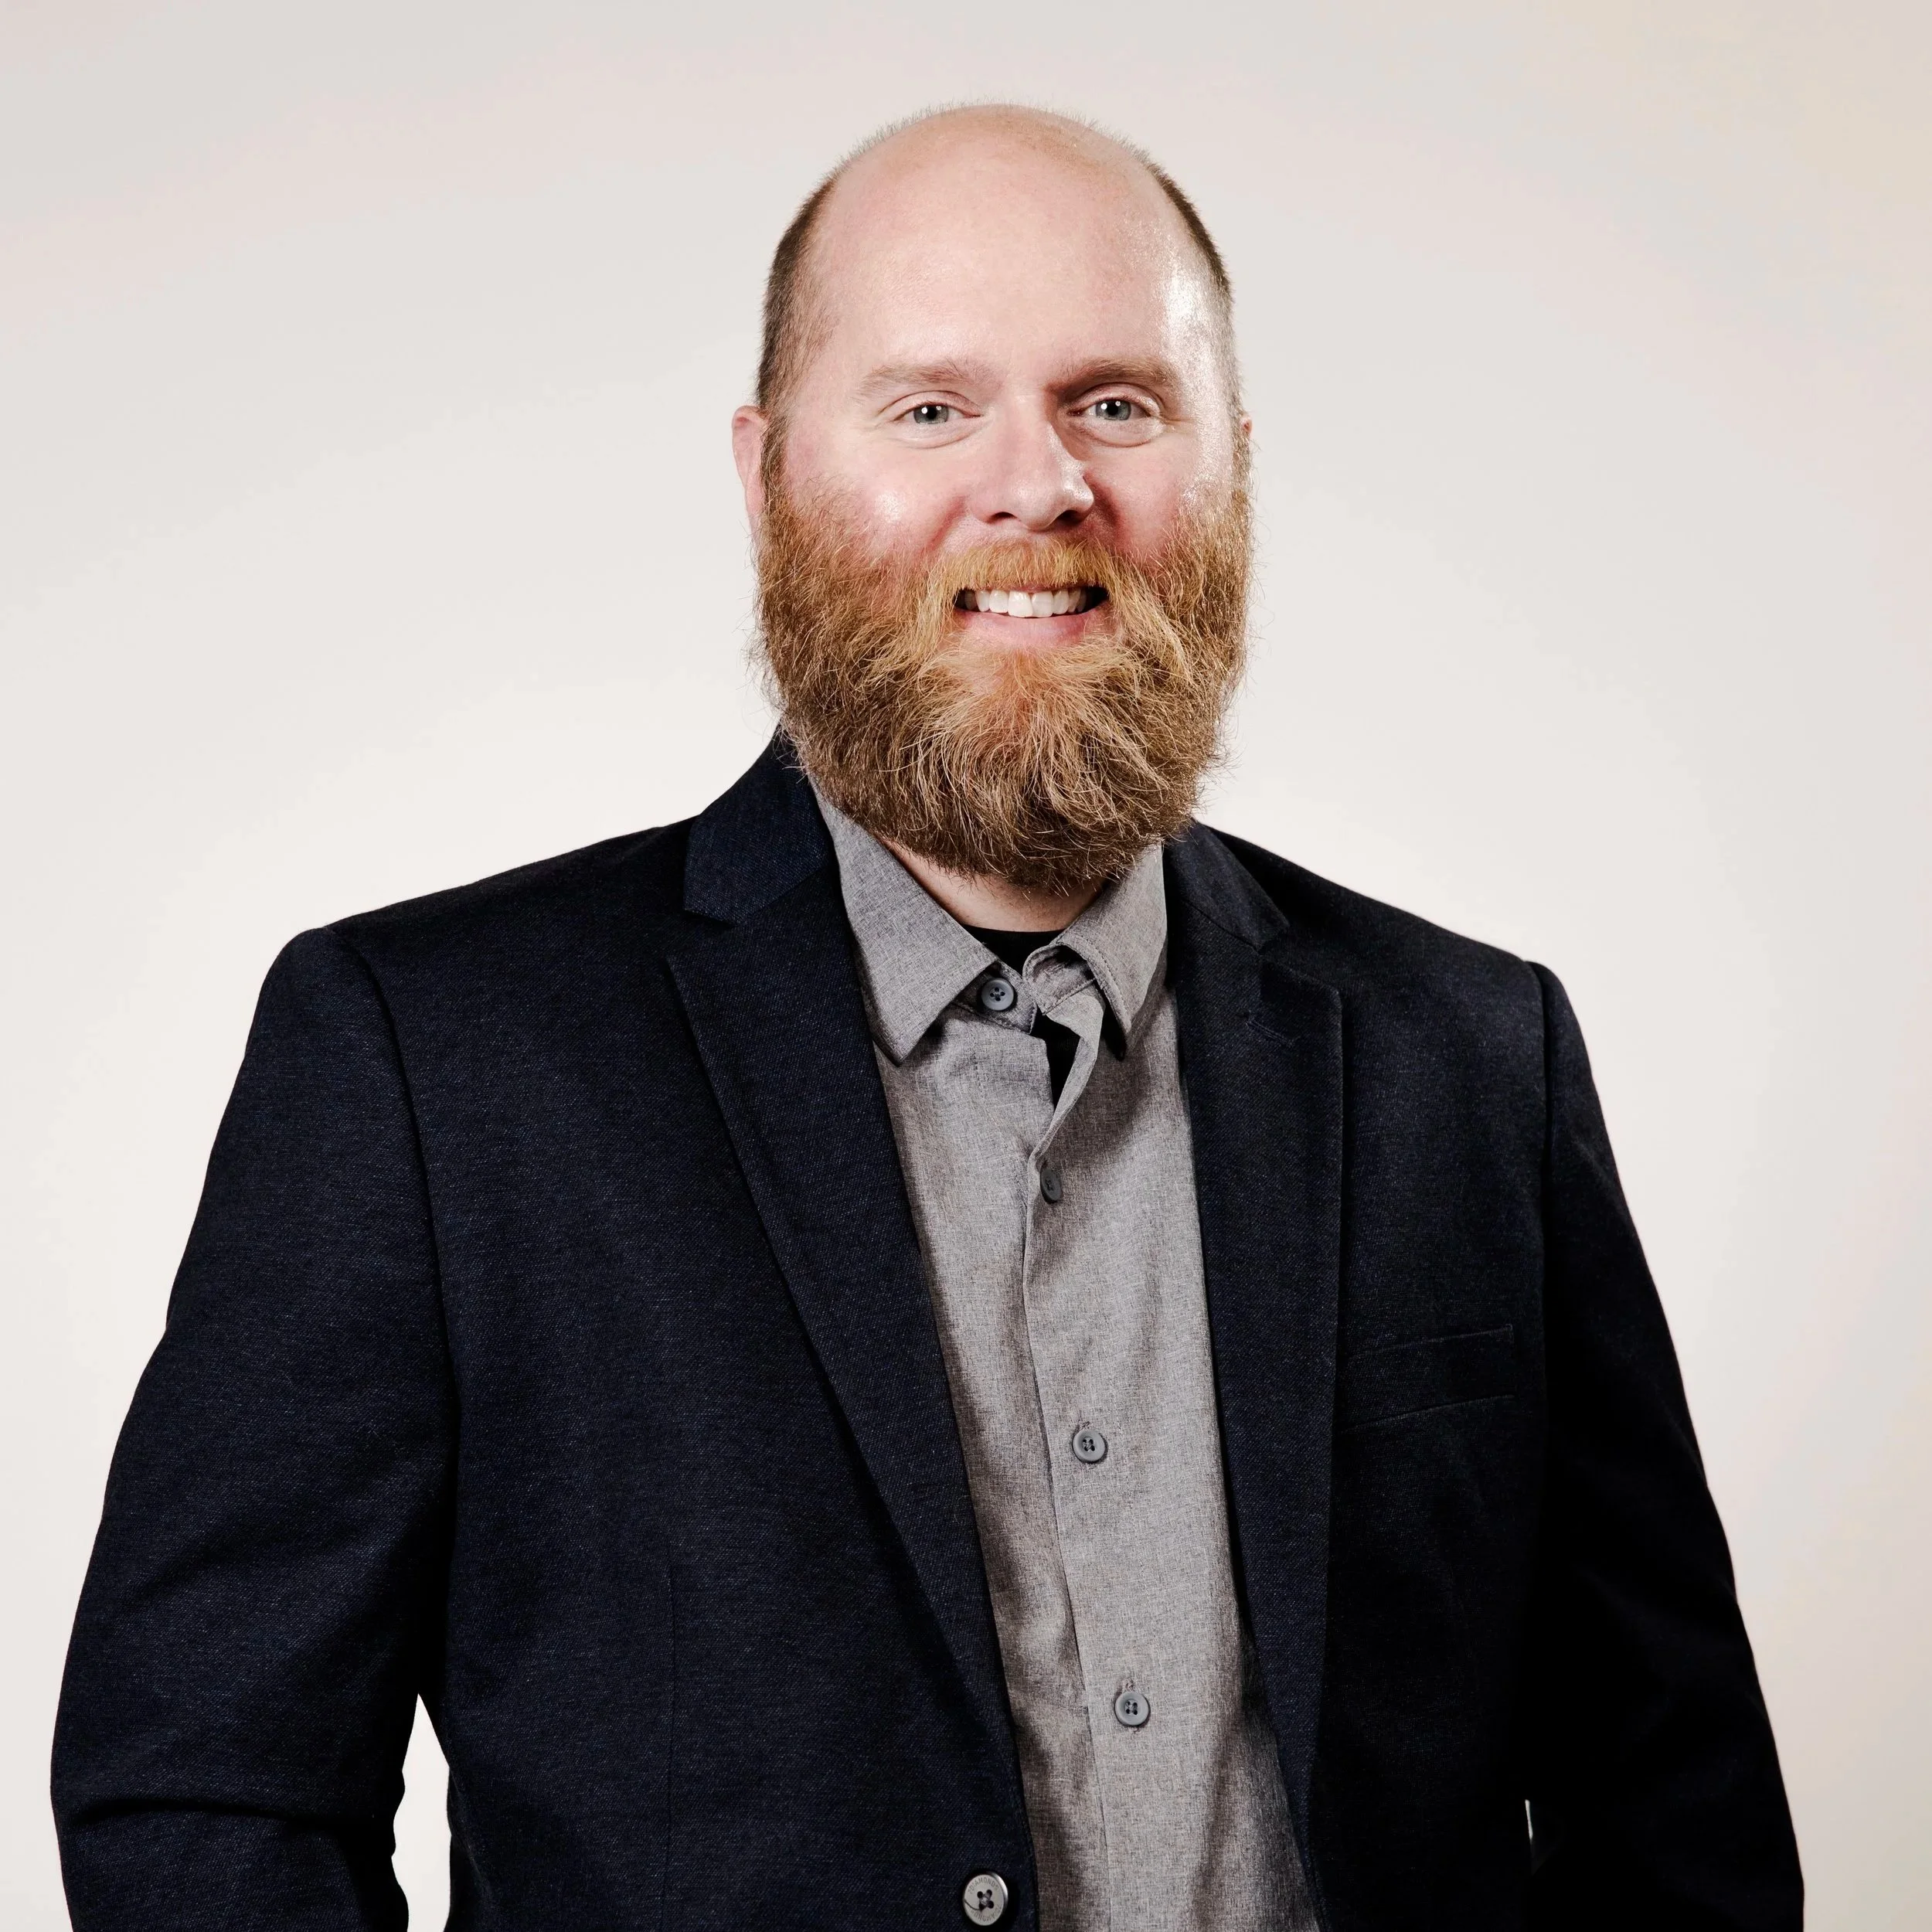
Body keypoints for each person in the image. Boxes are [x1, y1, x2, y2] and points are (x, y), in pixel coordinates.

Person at [53, 105, 1802, 1932]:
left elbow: (1667, 1804)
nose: (1036, 485)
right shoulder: (430, 1061)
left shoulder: (1474, 1055)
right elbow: (204, 1788)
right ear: (766, 475)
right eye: (928, 407)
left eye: (1115, 401)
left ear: (1233, 465)